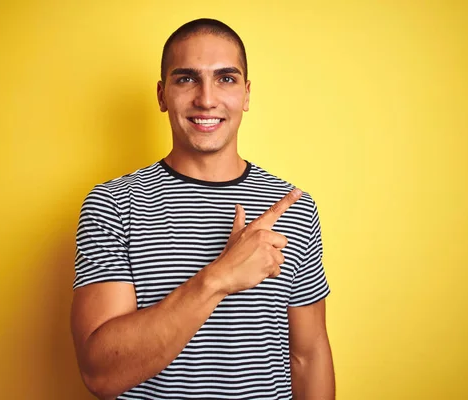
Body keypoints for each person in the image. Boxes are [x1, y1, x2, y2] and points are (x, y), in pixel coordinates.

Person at [71, 18, 335, 400]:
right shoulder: (113, 204)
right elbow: (100, 375)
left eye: (225, 79)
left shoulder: (294, 208)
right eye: (186, 79)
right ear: (162, 95)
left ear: (246, 94)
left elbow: (308, 357)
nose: (207, 99)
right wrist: (219, 277)